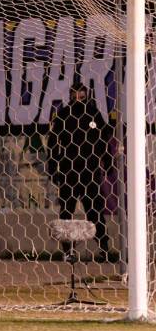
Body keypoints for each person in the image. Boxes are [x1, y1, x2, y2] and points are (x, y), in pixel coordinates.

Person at [47, 82, 113, 261]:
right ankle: (68, 251)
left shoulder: (93, 113)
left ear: (87, 96)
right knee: (66, 212)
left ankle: (104, 249)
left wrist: (107, 163)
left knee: (95, 211)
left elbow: (103, 140)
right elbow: (53, 144)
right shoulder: (63, 115)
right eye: (75, 96)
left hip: (90, 171)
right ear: (70, 96)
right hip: (69, 172)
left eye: (82, 97)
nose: (78, 100)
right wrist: (53, 168)